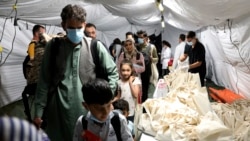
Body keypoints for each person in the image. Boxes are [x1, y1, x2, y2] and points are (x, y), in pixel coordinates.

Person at [33, 4, 118, 141]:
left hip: (88, 111)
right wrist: (38, 112)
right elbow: (44, 81)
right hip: (57, 112)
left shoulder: (94, 46)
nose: (76, 31)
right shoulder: (54, 47)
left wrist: (105, 99)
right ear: (63, 25)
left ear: (84, 24)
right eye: (71, 28)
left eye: (79, 28)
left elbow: (113, 73)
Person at [22, 24, 46, 122]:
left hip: (35, 84)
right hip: (39, 83)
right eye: (43, 33)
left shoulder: (39, 46)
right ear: (37, 33)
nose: (45, 35)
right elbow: (31, 59)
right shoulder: (35, 46)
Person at [136, 30, 159, 102]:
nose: (139, 39)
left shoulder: (152, 47)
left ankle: (148, 103)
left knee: (149, 89)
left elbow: (157, 59)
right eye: (138, 37)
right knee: (141, 89)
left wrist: (152, 59)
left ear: (146, 37)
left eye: (141, 37)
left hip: (149, 71)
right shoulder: (136, 47)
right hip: (139, 71)